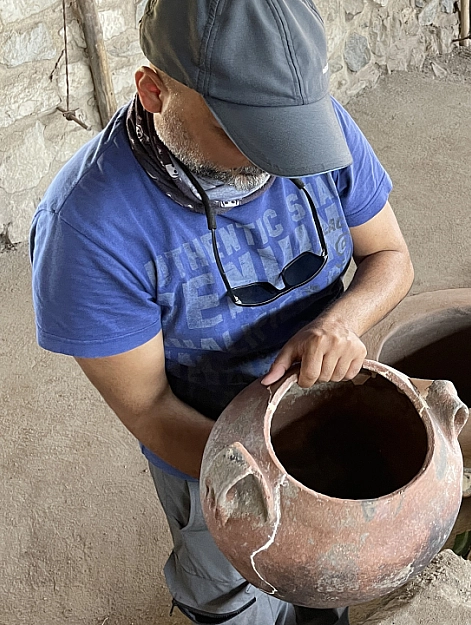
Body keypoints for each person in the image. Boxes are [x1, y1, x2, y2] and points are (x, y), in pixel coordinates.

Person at [28, 0, 413, 623]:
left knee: (324, 585)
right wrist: (277, 482)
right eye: (240, 133)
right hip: (207, 449)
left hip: (328, 415)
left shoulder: (317, 130)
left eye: (287, 134)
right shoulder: (87, 230)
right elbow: (151, 411)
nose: (273, 160)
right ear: (153, 92)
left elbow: (390, 257)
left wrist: (339, 321)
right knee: (235, 594)